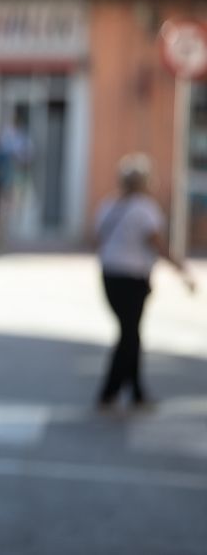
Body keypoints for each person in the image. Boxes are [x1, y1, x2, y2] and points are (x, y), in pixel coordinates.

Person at [94, 153, 196, 410]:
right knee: (129, 335)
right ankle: (110, 392)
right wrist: (181, 270)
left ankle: (134, 391)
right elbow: (158, 244)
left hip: (110, 274)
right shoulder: (144, 209)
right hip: (131, 278)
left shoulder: (109, 205)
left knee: (130, 334)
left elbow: (98, 239)